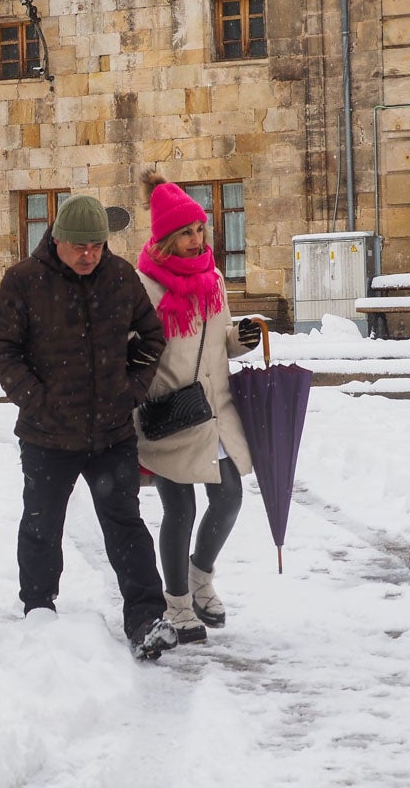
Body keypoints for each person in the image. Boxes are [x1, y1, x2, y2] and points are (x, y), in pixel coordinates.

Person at [0, 194, 178, 660]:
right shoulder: (24, 281)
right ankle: (39, 611)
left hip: (111, 433)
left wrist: (131, 388)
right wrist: (38, 399)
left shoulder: (119, 277)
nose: (89, 254)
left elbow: (152, 335)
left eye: (96, 245)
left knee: (126, 526)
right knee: (41, 525)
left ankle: (146, 618)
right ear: (57, 240)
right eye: (79, 246)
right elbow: (0, 352)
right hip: (47, 436)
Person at [134, 171, 261, 644]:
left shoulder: (213, 279)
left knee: (229, 497)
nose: (195, 239)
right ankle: (178, 603)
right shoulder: (144, 287)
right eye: (185, 232)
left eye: (199, 229)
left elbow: (222, 340)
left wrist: (241, 339)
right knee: (179, 510)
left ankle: (200, 575)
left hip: (216, 411)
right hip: (171, 414)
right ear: (165, 239)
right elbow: (135, 351)